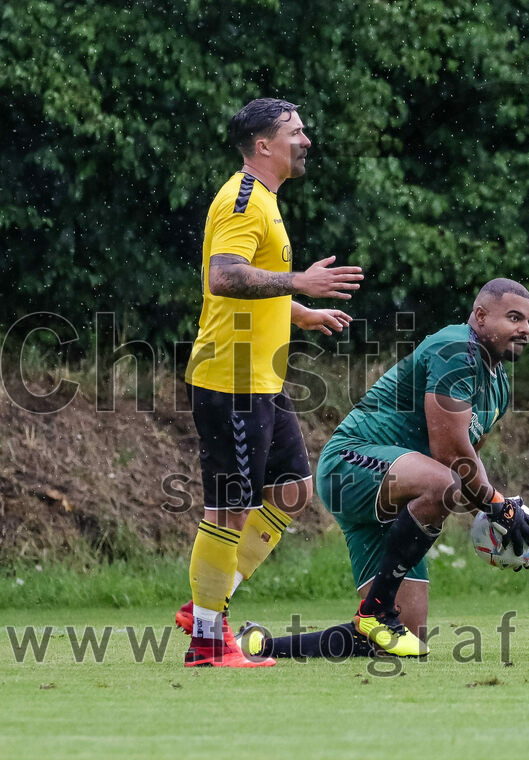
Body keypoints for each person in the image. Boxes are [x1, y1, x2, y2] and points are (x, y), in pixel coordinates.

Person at [243, 279, 529, 661]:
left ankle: (260, 647)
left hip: (400, 490)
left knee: (405, 637)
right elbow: (450, 456)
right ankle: (375, 611)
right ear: (480, 316)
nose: (525, 330)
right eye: (514, 317)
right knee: (442, 484)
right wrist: (499, 504)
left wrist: (501, 520)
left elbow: (467, 465)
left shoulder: (498, 387)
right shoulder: (456, 349)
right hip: (350, 464)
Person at [177, 98, 364, 667]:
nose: (306, 140)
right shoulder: (242, 199)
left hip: (260, 379)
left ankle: (209, 602)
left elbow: (251, 285)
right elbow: (225, 276)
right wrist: (301, 282)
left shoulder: (266, 201)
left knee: (291, 493)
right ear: (264, 145)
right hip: (231, 377)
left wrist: (297, 312)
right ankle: (208, 642)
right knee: (228, 507)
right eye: (296, 132)